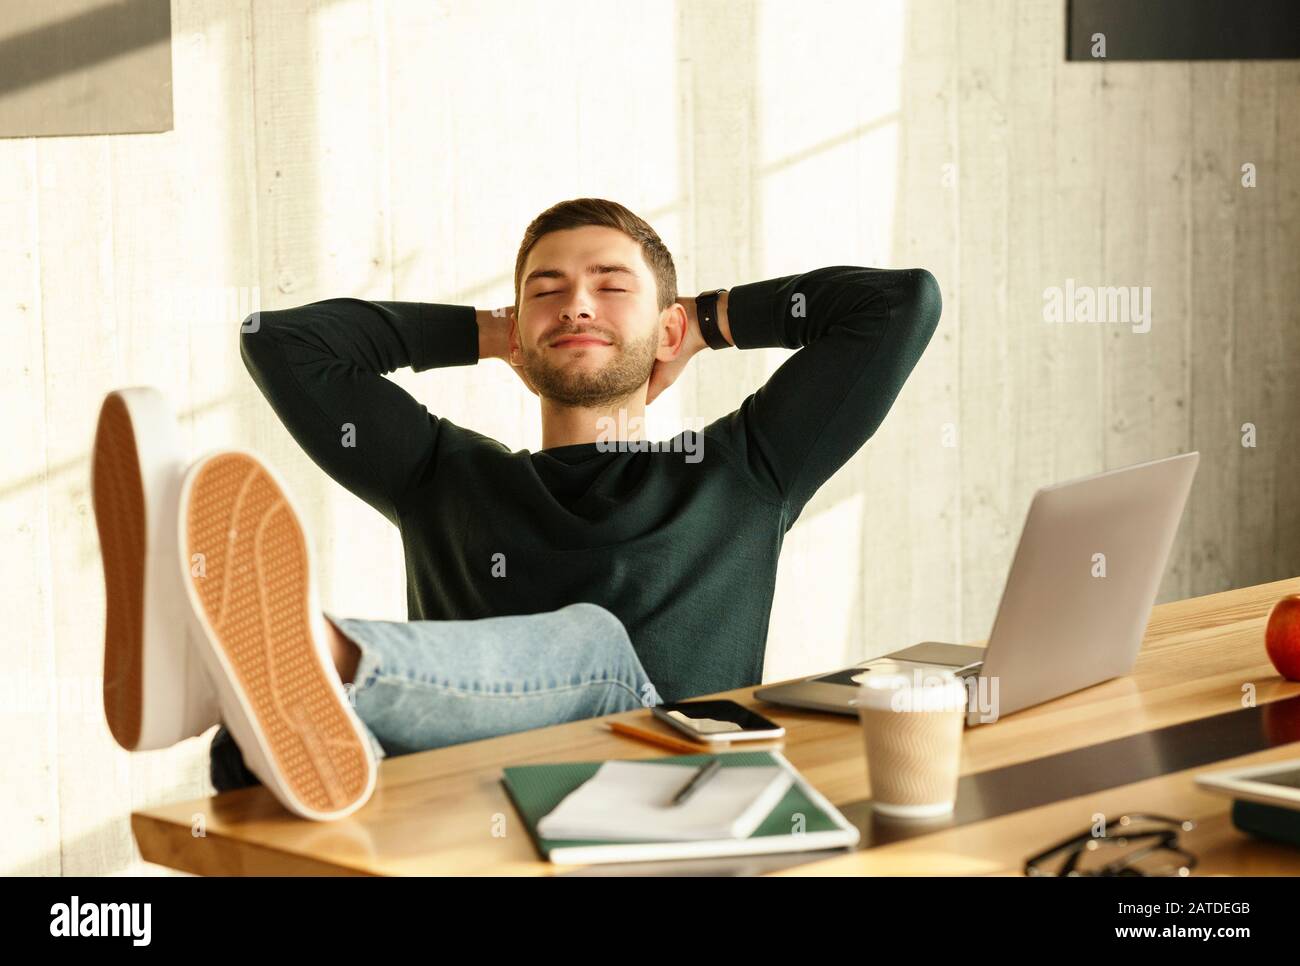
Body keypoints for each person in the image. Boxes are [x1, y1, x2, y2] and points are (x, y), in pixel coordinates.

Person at [93, 196, 941, 821]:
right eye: (548, 291)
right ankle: (223, 683)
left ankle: (277, 648)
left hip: (669, 800)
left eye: (612, 287)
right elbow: (278, 341)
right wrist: (494, 333)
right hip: (473, 801)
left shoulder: (743, 471)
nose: (576, 303)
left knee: (594, 640)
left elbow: (898, 305)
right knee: (248, 752)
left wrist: (706, 322)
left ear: (668, 330)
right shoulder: (444, 475)